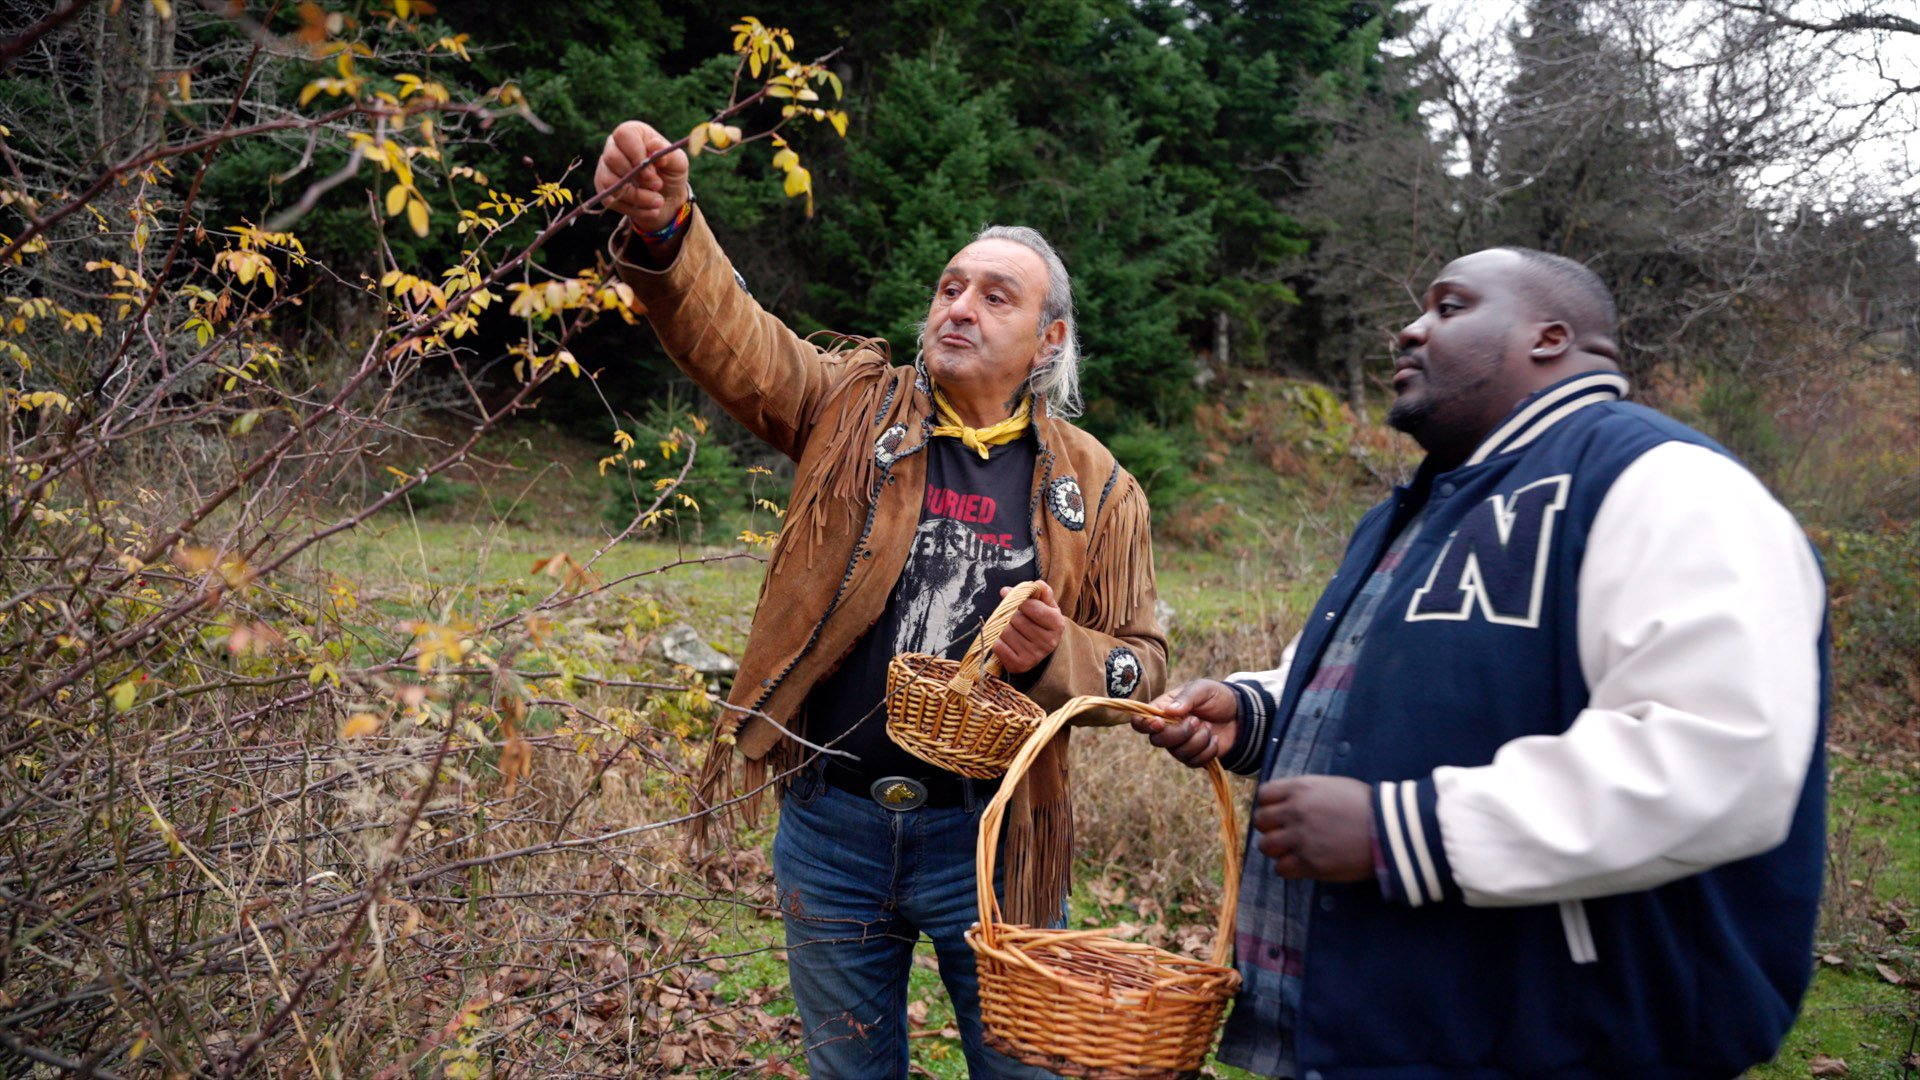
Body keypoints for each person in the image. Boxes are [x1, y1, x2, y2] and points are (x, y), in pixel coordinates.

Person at [1134, 247, 1827, 1078]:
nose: (1410, 328)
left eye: (1450, 306)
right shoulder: (1427, 504)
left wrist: (1405, 832)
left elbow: (1721, 754)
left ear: (1550, 335)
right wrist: (1255, 714)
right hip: (1375, 1038)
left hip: (1561, 1045)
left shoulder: (1666, 481)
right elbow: (1388, 687)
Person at [594, 120, 1166, 1078]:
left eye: (995, 296)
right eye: (950, 288)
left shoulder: (1099, 489)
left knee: (1023, 1069)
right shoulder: (853, 411)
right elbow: (736, 341)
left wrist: (1056, 651)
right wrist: (666, 232)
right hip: (833, 829)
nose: (960, 307)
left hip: (994, 841)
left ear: (1049, 337)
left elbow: (1140, 668)